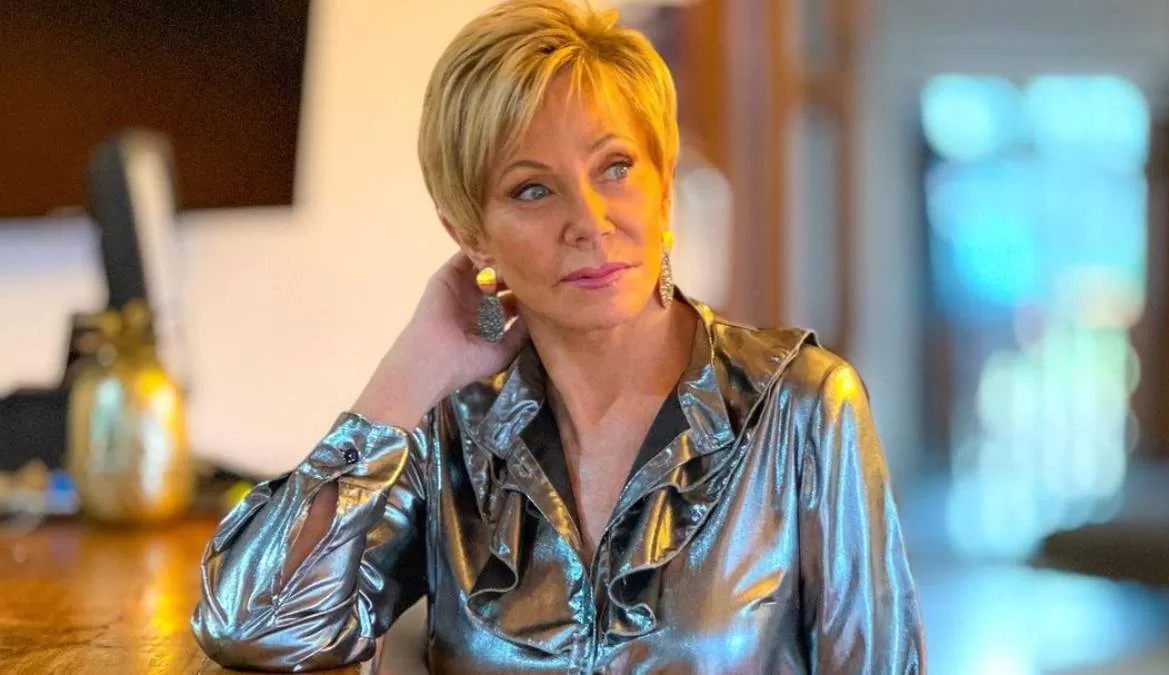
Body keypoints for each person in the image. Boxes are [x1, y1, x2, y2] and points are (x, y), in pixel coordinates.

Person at [191, 1, 925, 672]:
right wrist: (404, 378)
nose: (590, 222)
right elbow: (255, 625)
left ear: (663, 186)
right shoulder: (452, 429)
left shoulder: (802, 405)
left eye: (616, 168)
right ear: (470, 234)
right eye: (533, 189)